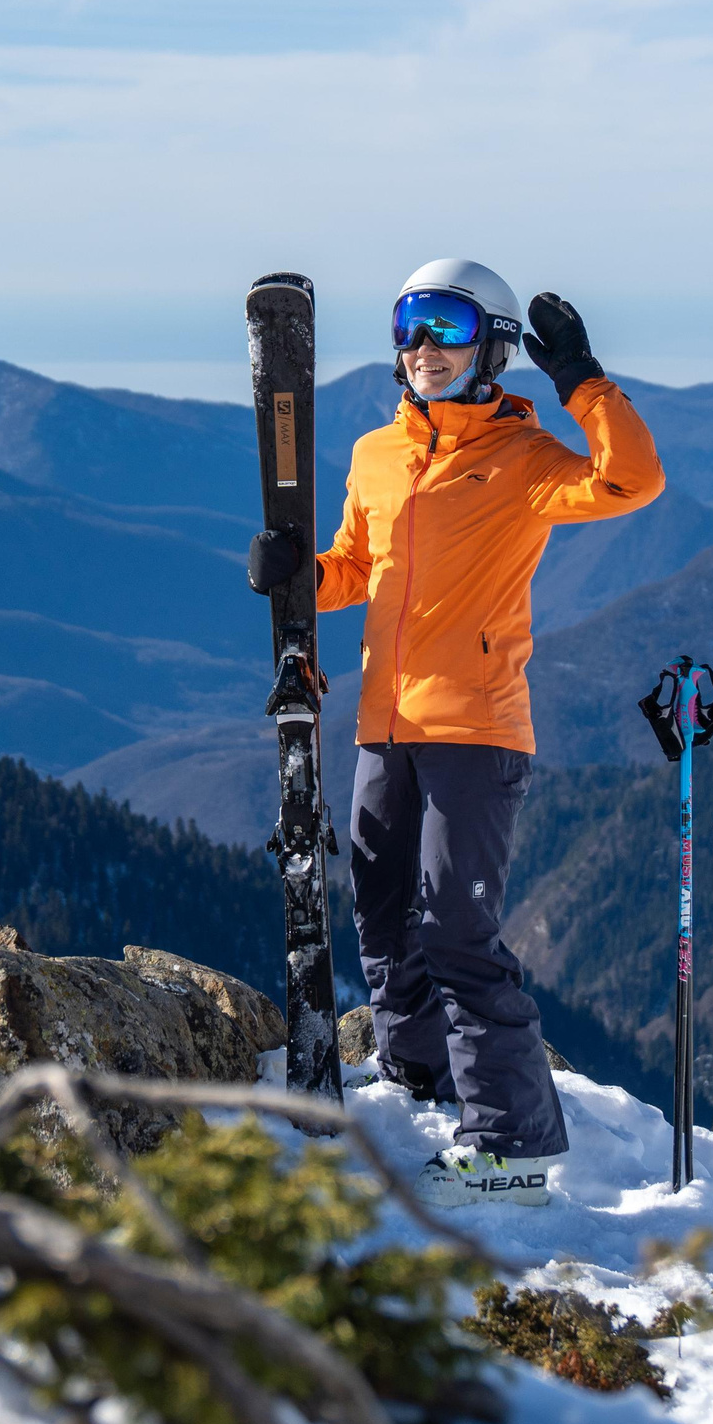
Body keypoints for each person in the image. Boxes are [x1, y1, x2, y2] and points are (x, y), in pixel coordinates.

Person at [246, 258, 665, 1206]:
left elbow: (632, 481)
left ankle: (513, 1143)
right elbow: (357, 565)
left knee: (457, 929)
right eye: (407, 324)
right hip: (382, 722)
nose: (422, 346)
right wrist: (294, 575)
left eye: (444, 323)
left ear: (494, 345)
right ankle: (425, 1079)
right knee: (386, 922)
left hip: (475, 729)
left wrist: (584, 384)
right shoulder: (374, 454)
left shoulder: (523, 462)